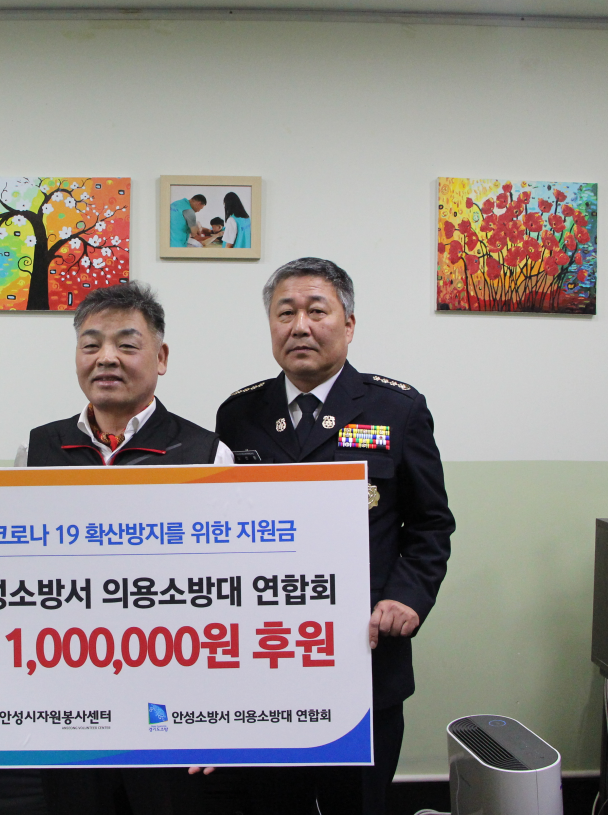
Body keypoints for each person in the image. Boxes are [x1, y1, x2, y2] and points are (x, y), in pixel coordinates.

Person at [211, 257, 454, 815]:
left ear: (349, 324)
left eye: (316, 311)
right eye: (285, 313)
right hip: (267, 659)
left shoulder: (397, 409)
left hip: (363, 656)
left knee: (358, 804)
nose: (300, 326)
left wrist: (407, 597)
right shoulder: (238, 414)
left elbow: (430, 524)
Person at [27, 281, 233, 815]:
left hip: (172, 703)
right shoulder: (38, 449)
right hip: (69, 703)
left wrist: (218, 713)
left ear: (160, 358)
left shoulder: (206, 452)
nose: (106, 358)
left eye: (126, 344)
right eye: (91, 344)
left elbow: (230, 592)